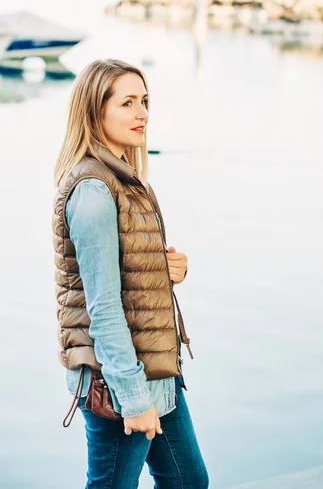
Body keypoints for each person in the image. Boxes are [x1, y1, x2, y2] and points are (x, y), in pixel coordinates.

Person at [52, 58, 209, 488]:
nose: (142, 113)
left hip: (158, 373)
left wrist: (164, 269)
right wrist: (133, 399)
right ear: (95, 110)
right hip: (121, 383)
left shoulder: (126, 181)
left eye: (144, 101)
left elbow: (124, 274)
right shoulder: (94, 191)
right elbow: (102, 307)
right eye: (127, 103)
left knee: (189, 482)